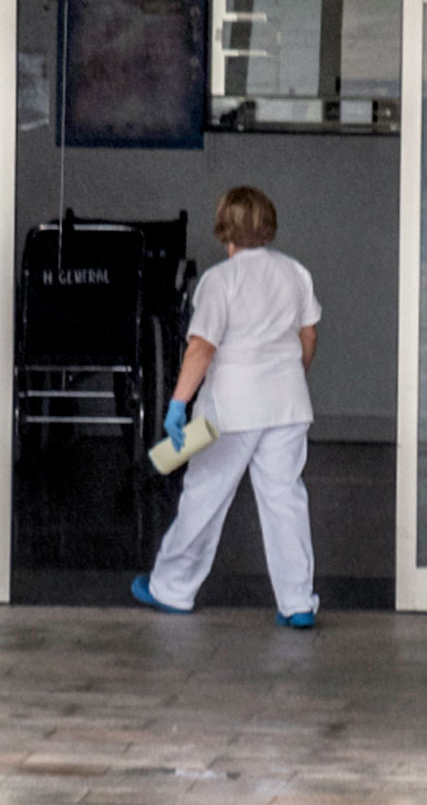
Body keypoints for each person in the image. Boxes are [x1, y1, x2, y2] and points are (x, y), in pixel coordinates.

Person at [132, 185, 323, 628]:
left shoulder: (221, 280)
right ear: (268, 225)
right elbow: (308, 336)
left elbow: (201, 348)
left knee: (205, 497)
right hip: (288, 404)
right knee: (285, 502)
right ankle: (296, 601)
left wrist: (178, 405)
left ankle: (173, 587)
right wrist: (292, 377)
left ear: (224, 231)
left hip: (231, 408)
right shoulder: (296, 273)